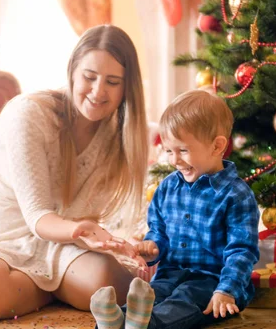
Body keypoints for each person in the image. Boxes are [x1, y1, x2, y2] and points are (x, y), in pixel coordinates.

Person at [0, 24, 150, 320]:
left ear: (127, 88)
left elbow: (101, 216)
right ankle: (54, 289)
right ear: (72, 71)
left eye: (112, 82)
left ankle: (36, 288)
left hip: (59, 241)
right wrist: (80, 231)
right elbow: (38, 216)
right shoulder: (28, 114)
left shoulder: (117, 133)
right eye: (89, 77)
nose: (98, 91)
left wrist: (126, 242)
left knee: (108, 284)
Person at [90, 89, 260, 329]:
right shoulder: (168, 187)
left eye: (183, 150)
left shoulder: (236, 195)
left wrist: (227, 289)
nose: (174, 160)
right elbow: (158, 228)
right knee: (155, 293)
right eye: (169, 151)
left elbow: (242, 251)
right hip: (170, 273)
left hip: (212, 282)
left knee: (185, 300)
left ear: (217, 146)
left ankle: (147, 325)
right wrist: (153, 245)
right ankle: (120, 318)